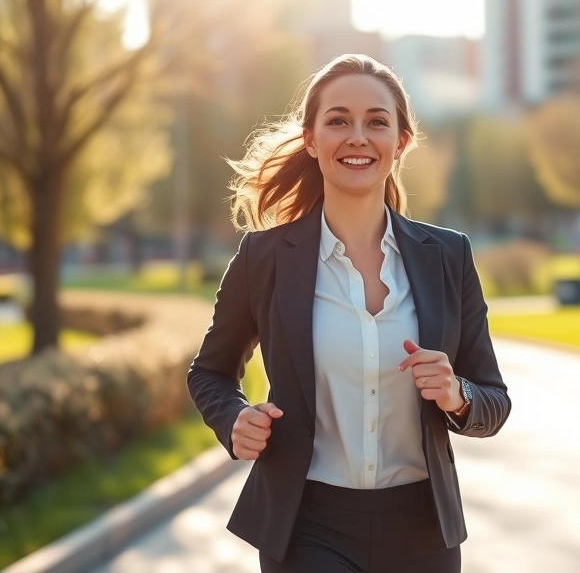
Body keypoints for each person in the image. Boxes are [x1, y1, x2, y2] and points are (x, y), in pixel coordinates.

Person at [186, 53, 511, 573]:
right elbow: (210, 372)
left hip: (423, 530)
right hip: (307, 525)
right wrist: (234, 420)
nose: (358, 136)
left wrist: (456, 395)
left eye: (376, 122)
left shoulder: (448, 258)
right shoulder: (264, 259)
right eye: (338, 120)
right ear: (312, 140)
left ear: (400, 141)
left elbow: (493, 399)